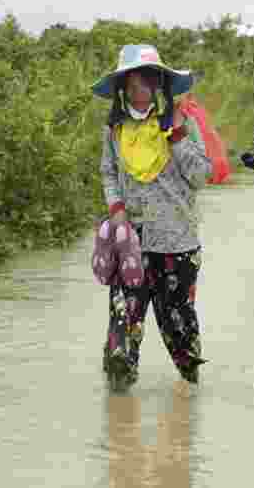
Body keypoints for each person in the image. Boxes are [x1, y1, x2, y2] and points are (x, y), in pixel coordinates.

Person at [93, 43, 212, 388]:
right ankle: (119, 399)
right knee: (123, 322)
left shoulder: (183, 124)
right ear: (122, 88)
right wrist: (116, 208)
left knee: (179, 327)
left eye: (146, 80)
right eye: (132, 82)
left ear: (159, 84)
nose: (139, 89)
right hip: (130, 241)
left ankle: (189, 395)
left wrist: (177, 137)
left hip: (177, 241)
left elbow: (201, 176)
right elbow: (108, 173)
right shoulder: (114, 130)